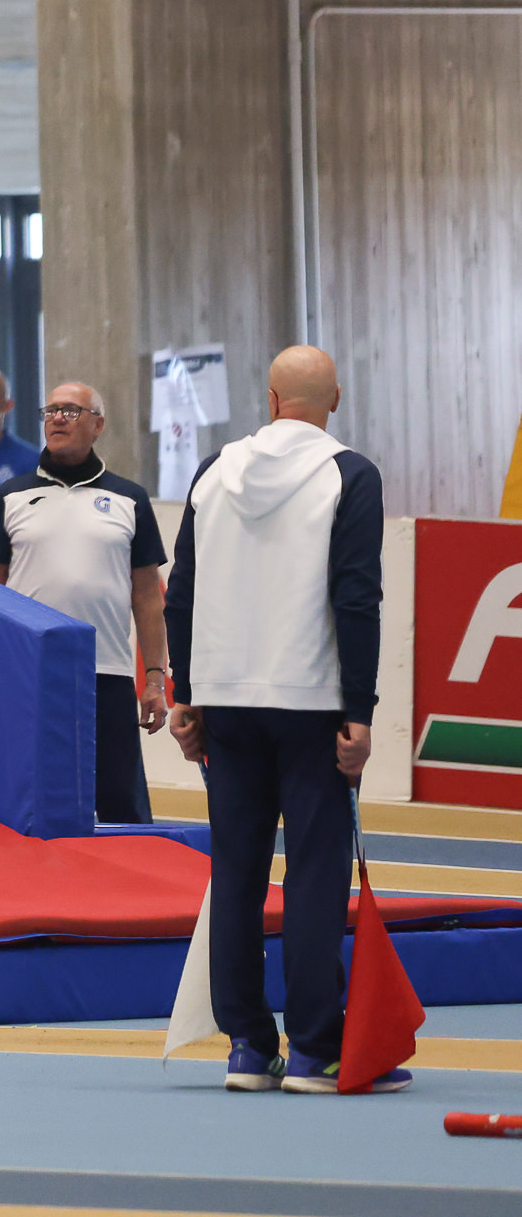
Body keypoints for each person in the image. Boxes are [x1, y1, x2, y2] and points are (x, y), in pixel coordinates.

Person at [166, 345, 405, 1096]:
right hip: (310, 702)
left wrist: (185, 694)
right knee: (313, 875)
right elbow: (357, 597)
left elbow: (181, 592)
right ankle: (314, 1050)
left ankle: (246, 1046)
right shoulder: (350, 475)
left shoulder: (213, 471)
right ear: (335, 398)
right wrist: (359, 711)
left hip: (226, 700)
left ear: (270, 399)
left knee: (236, 871)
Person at [0, 381, 169, 823]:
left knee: (121, 805)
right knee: (29, 799)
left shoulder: (130, 499)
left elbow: (147, 598)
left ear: (98, 425)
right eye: (51, 410)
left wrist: (155, 680)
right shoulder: (11, 497)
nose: (57, 418)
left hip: (108, 672)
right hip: (31, 671)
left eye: (70, 410)